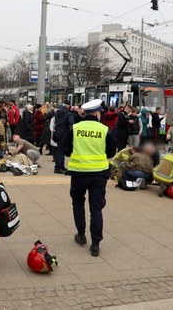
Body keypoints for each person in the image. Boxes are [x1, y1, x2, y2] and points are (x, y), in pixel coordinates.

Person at [62, 99, 115, 257]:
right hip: (99, 174)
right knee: (96, 209)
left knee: (78, 203)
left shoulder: (75, 128)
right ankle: (95, 244)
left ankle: (81, 234)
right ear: (98, 113)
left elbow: (65, 149)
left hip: (78, 173)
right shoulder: (105, 130)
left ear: (84, 113)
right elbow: (111, 152)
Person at [53, 100, 75, 174]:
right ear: (68, 106)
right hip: (64, 133)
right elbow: (71, 124)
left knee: (59, 149)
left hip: (57, 133)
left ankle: (61, 166)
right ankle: (58, 167)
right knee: (61, 151)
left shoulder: (57, 112)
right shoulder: (69, 114)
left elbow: (55, 122)